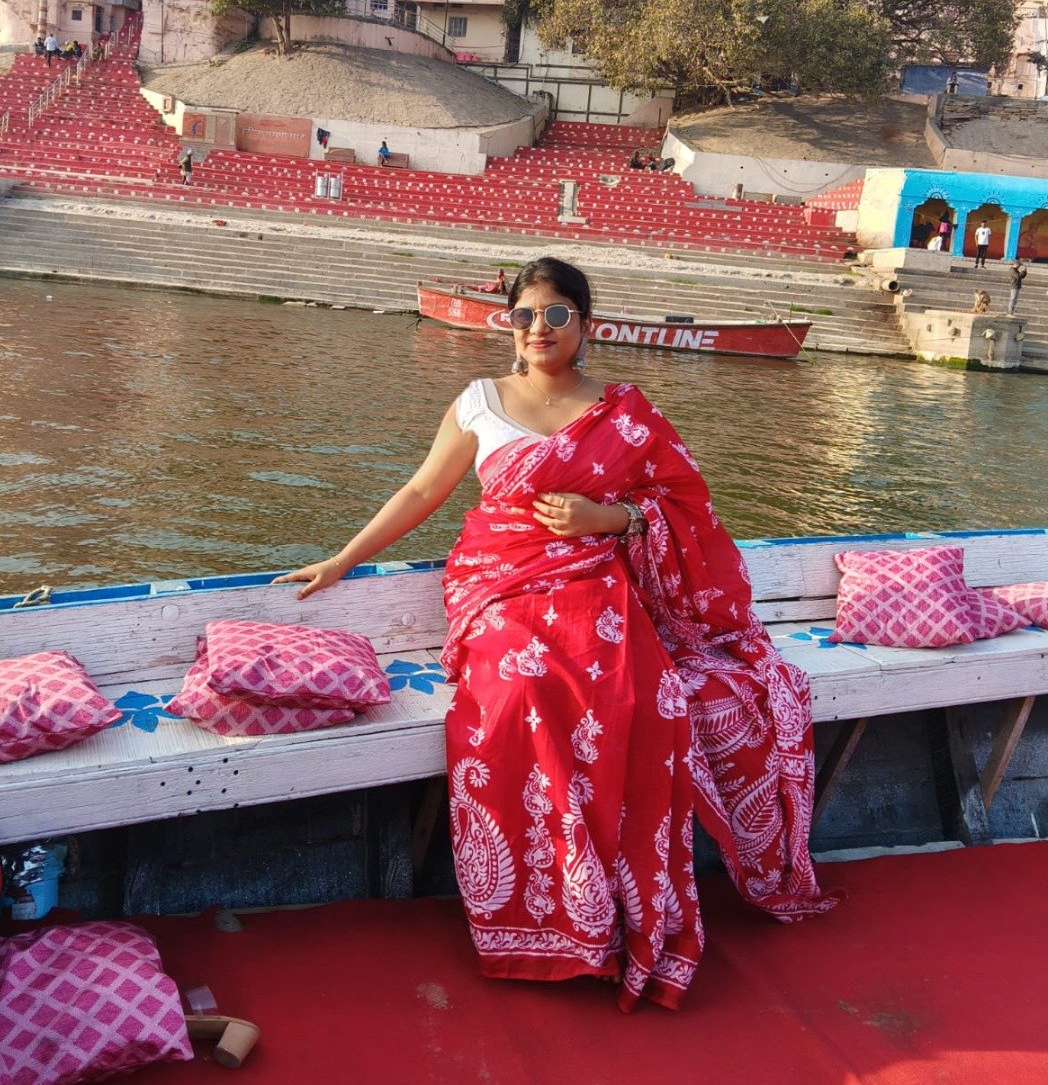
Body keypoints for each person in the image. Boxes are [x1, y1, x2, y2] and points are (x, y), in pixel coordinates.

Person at [274, 256, 837, 1012]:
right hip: (498, 587)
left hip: (594, 585)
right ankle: (552, 912)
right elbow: (421, 488)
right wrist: (343, 559)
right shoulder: (478, 401)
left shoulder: (625, 412)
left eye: (556, 314)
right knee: (522, 688)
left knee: (642, 701)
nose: (538, 328)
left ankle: (609, 910)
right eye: (525, 315)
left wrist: (609, 518)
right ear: (510, 324)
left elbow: (685, 506)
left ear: (585, 325)